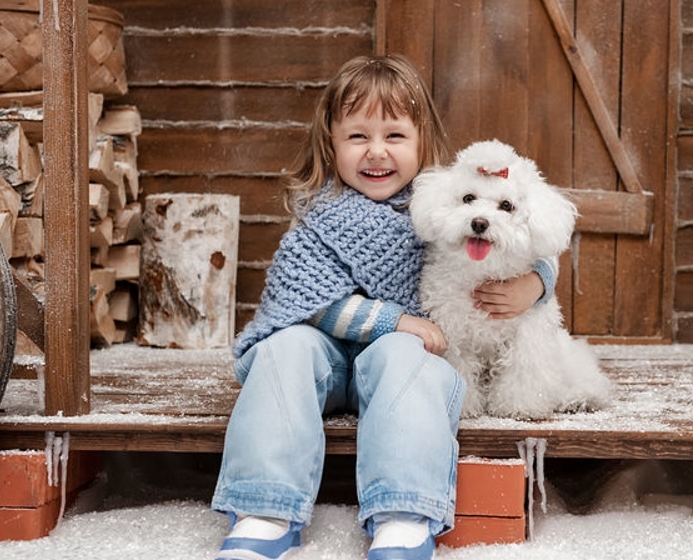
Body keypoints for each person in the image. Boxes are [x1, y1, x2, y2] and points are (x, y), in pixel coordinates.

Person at [211, 54, 555, 560]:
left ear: (422, 142)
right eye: (357, 137)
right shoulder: (319, 216)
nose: (376, 153)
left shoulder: (448, 203)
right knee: (284, 348)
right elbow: (307, 303)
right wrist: (396, 319)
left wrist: (537, 283)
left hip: (398, 369)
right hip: (325, 359)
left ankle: (404, 510)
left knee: (406, 354)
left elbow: (527, 243)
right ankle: (265, 508)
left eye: (394, 136)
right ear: (331, 142)